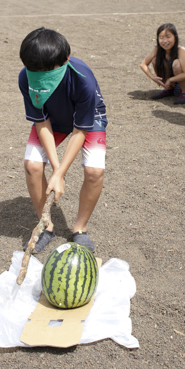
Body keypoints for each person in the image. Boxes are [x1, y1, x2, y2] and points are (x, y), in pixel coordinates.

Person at [18, 27, 107, 253]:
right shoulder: (25, 78)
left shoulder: (83, 79)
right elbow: (42, 122)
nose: (41, 77)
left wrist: (59, 174)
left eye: (48, 71)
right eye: (35, 70)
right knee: (32, 165)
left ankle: (80, 229)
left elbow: (80, 130)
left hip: (87, 120)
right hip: (52, 122)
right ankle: (46, 226)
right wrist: (56, 169)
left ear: (66, 59)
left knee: (95, 171)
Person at [140, 23, 185, 104]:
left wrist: (170, 79)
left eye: (168, 37)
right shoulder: (158, 49)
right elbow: (143, 64)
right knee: (155, 60)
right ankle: (169, 89)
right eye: (161, 38)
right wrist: (152, 77)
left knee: (176, 63)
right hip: (175, 83)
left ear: (175, 37)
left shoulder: (181, 50)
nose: (165, 41)